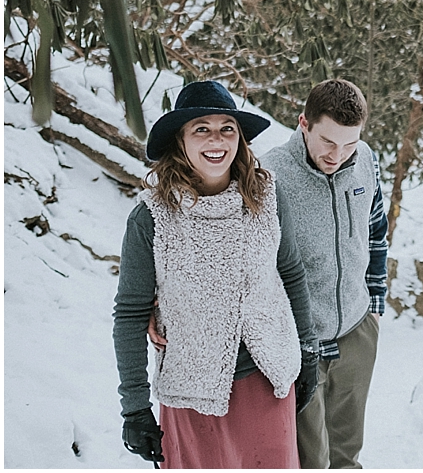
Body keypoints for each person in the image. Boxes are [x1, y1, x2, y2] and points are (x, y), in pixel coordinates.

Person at [112, 80, 319, 468]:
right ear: (180, 140)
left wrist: (307, 352)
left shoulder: (267, 197)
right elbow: (129, 313)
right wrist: (135, 408)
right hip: (191, 395)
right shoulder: (152, 218)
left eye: (227, 128)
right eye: (201, 129)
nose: (217, 140)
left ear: (240, 138)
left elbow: (290, 272)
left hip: (268, 382)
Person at [259, 78, 388, 469]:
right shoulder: (269, 175)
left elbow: (376, 230)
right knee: (310, 461)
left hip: (356, 331)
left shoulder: (364, 158)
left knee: (348, 456)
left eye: (349, 143)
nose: (338, 154)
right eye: (328, 142)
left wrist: (375, 302)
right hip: (300, 343)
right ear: (304, 123)